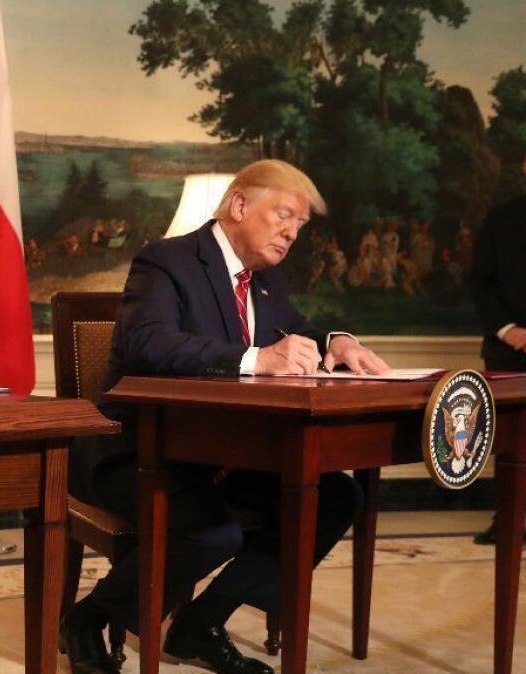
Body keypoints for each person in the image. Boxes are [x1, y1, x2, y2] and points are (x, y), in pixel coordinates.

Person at [61, 160, 390, 674]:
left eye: (299, 226)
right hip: (136, 449)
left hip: (220, 455)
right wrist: (258, 359)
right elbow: (149, 343)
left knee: (337, 496)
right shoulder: (166, 261)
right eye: (283, 216)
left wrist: (337, 340)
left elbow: (299, 326)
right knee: (213, 533)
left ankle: (201, 624)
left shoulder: (264, 281)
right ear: (239, 205)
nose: (291, 233)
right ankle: (88, 617)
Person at [470, 153, 526, 545]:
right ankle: (507, 519)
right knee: (506, 439)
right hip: (507, 349)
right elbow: (479, 281)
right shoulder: (501, 218)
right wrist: (509, 330)